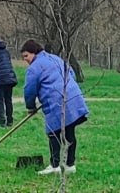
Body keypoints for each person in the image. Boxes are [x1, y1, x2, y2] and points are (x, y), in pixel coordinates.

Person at [21, 39, 89, 175]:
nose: (25, 60)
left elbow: (29, 90)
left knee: (53, 133)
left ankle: (55, 165)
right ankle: (70, 165)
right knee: (69, 131)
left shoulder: (34, 68)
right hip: (73, 96)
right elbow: (71, 73)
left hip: (56, 100)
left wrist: (30, 107)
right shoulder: (55, 58)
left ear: (34, 53)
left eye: (26, 56)